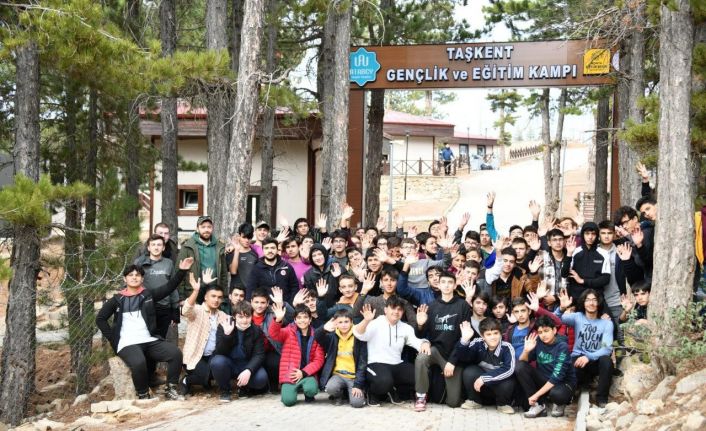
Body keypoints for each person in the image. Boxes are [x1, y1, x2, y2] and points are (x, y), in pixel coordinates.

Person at [95, 258, 193, 400]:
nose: (134, 277)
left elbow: (169, 287)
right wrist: (113, 338)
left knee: (175, 354)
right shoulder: (117, 299)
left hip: (148, 340)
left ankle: (171, 389)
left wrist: (182, 271)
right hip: (127, 343)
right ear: (125, 279)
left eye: (138, 275)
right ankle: (143, 394)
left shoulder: (147, 295)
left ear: (142, 279)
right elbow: (100, 319)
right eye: (131, 275)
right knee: (139, 362)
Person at [353, 297, 431, 406]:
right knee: (384, 382)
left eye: (399, 309)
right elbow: (358, 334)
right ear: (385, 310)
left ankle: (392, 389)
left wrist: (425, 343)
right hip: (376, 363)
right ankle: (372, 392)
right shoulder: (375, 323)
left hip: (396, 364)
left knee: (421, 376)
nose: (396, 312)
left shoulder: (405, 327)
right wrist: (366, 321)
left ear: (402, 312)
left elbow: (416, 342)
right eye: (393, 308)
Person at [413, 270, 471, 410]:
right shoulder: (431, 306)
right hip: (437, 351)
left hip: (455, 354)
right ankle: (421, 396)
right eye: (443, 282)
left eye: (450, 282)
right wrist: (420, 325)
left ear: (455, 285)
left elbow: (465, 338)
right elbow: (421, 335)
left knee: (453, 402)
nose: (446, 285)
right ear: (438, 285)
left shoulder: (463, 305)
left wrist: (452, 362)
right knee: (421, 358)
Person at [557, 288, 614, 407]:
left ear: (598, 302)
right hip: (578, 358)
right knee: (569, 364)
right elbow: (555, 320)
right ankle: (573, 391)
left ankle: (601, 399)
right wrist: (561, 308)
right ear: (583, 303)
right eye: (588, 300)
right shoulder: (578, 317)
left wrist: (588, 356)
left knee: (607, 361)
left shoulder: (606, 323)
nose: (591, 303)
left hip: (596, 360)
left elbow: (606, 348)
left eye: (594, 300)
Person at [179, 271, 230, 397]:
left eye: (219, 297)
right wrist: (196, 291)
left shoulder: (223, 316)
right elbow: (185, 310)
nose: (216, 300)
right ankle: (186, 380)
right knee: (205, 376)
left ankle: (204, 379)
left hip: (213, 356)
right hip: (195, 356)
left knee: (218, 370)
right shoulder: (197, 310)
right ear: (206, 297)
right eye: (213, 296)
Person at [517, 316, 576, 418]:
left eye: (546, 331)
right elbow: (523, 361)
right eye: (540, 332)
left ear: (554, 330)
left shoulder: (562, 346)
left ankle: (560, 403)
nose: (543, 335)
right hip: (544, 379)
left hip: (562, 383)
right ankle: (538, 405)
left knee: (557, 395)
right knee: (520, 367)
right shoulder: (539, 342)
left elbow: (556, 377)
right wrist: (526, 351)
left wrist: (536, 395)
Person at [269, 302, 325, 406]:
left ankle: (307, 392)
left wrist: (303, 372)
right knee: (288, 401)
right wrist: (278, 320)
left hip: (307, 373)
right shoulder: (289, 331)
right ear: (295, 320)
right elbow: (274, 334)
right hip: (291, 374)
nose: (302, 320)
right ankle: (292, 390)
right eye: (299, 317)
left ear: (310, 319)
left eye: (305, 317)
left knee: (312, 390)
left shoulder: (316, 335)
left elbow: (319, 360)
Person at [456, 318, 516, 414]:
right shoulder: (477, 342)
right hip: (481, 387)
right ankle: (475, 401)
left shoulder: (507, 347)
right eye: (488, 334)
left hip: (498, 385)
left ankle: (503, 404)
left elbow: (509, 369)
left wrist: (485, 378)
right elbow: (464, 358)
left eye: (496, 333)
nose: (493, 337)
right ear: (482, 336)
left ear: (501, 334)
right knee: (469, 371)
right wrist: (464, 340)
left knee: (508, 382)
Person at [211, 301, 269, 401]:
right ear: (234, 316)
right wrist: (227, 335)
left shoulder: (256, 330)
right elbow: (219, 352)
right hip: (230, 363)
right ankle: (225, 390)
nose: (244, 320)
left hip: (246, 363)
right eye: (240, 317)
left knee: (261, 379)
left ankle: (244, 387)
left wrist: (249, 370)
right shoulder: (224, 326)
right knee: (217, 362)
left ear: (251, 316)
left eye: (247, 316)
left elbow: (259, 355)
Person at [315, 309, 367, 408]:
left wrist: (358, 385)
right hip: (338, 375)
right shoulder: (333, 337)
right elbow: (317, 337)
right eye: (340, 322)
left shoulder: (358, 337)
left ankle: (353, 392)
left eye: (346, 322)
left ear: (351, 322)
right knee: (330, 388)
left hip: (353, 377)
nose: (343, 325)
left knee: (357, 403)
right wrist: (323, 329)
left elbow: (362, 363)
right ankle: (339, 395)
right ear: (336, 324)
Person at [134, 234, 180, 340]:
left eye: (159, 245)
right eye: (153, 245)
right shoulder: (139, 263)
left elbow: (173, 286)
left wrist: (175, 309)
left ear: (163, 247)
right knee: (144, 338)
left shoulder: (168, 263)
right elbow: (132, 282)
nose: (156, 247)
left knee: (159, 339)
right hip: (145, 306)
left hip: (164, 307)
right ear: (148, 247)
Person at [177, 216, 228, 303]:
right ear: (197, 229)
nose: (206, 230)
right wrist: (181, 297)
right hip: (193, 293)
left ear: (212, 228)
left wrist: (224, 296)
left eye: (209, 227)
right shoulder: (188, 247)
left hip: (214, 293)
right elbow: (179, 273)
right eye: (203, 227)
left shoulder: (219, 247)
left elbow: (223, 274)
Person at [564, 222, 610, 303]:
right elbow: (564, 274)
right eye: (587, 233)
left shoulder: (604, 253)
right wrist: (569, 254)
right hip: (576, 297)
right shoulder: (575, 251)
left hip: (596, 298)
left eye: (593, 234)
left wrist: (583, 281)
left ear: (597, 235)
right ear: (582, 235)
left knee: (606, 312)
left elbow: (606, 279)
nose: (590, 237)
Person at [247, 238, 300, 304]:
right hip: (264, 307)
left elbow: (294, 287)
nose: (270, 251)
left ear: (277, 250)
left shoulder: (286, 266)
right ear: (263, 250)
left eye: (272, 248)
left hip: (285, 306)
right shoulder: (256, 268)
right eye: (266, 248)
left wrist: (290, 304)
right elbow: (251, 290)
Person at [227, 223, 259, 297]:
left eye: (249, 238)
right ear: (239, 236)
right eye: (244, 237)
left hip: (250, 293)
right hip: (236, 293)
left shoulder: (254, 254)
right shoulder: (231, 252)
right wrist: (237, 250)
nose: (247, 240)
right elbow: (233, 271)